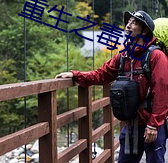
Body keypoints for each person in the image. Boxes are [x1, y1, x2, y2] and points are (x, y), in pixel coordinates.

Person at [55, 10, 168, 163]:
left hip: (151, 124)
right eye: (128, 22)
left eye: (134, 23)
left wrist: (154, 125)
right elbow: (102, 74)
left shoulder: (156, 56)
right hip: (131, 124)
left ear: (145, 30)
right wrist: (75, 75)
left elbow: (162, 91)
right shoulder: (123, 56)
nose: (128, 26)